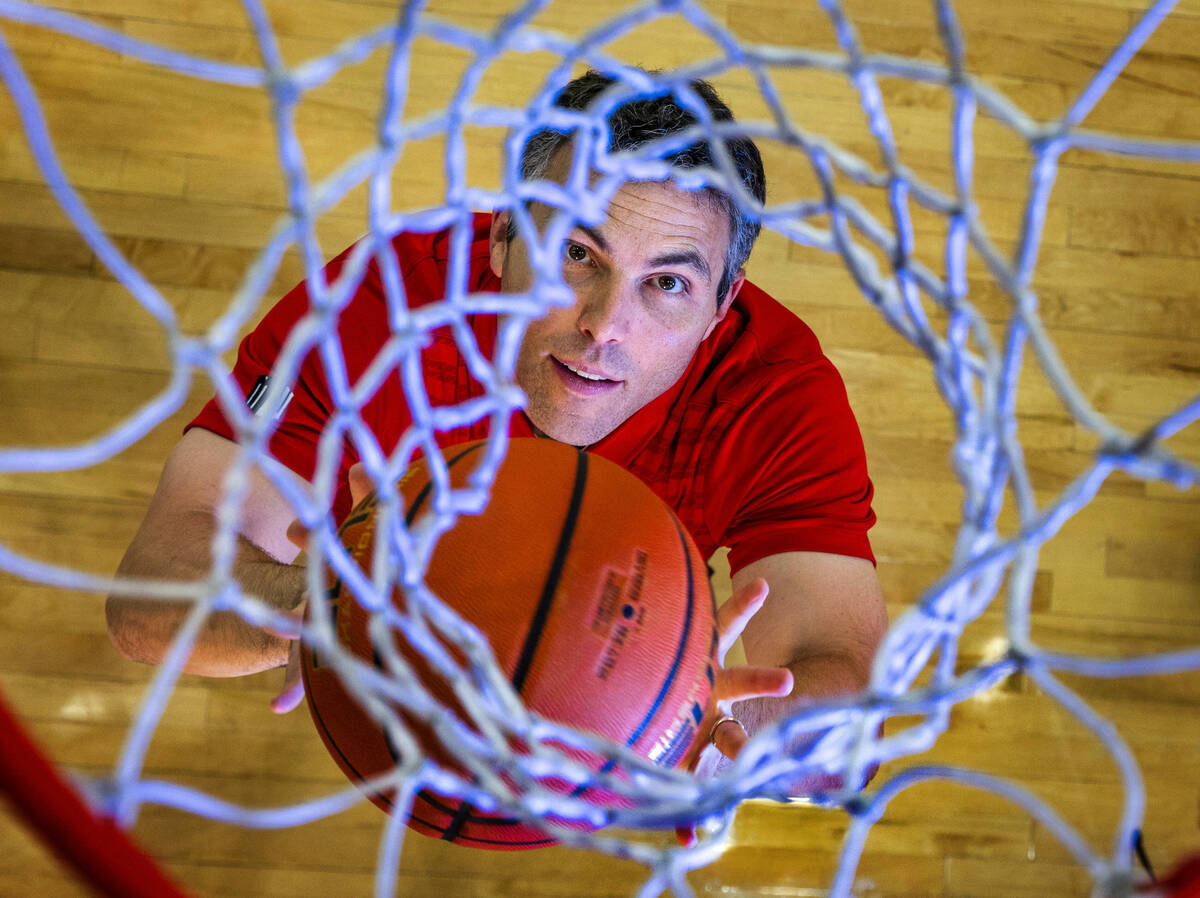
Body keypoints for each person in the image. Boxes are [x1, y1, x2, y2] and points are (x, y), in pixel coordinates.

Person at [106, 71, 887, 800]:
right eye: (576, 253)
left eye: (668, 283)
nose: (604, 327)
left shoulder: (775, 393)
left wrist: (675, 708)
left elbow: (849, 714)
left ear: (723, 303)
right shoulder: (374, 309)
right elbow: (147, 602)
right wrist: (325, 600)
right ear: (502, 237)